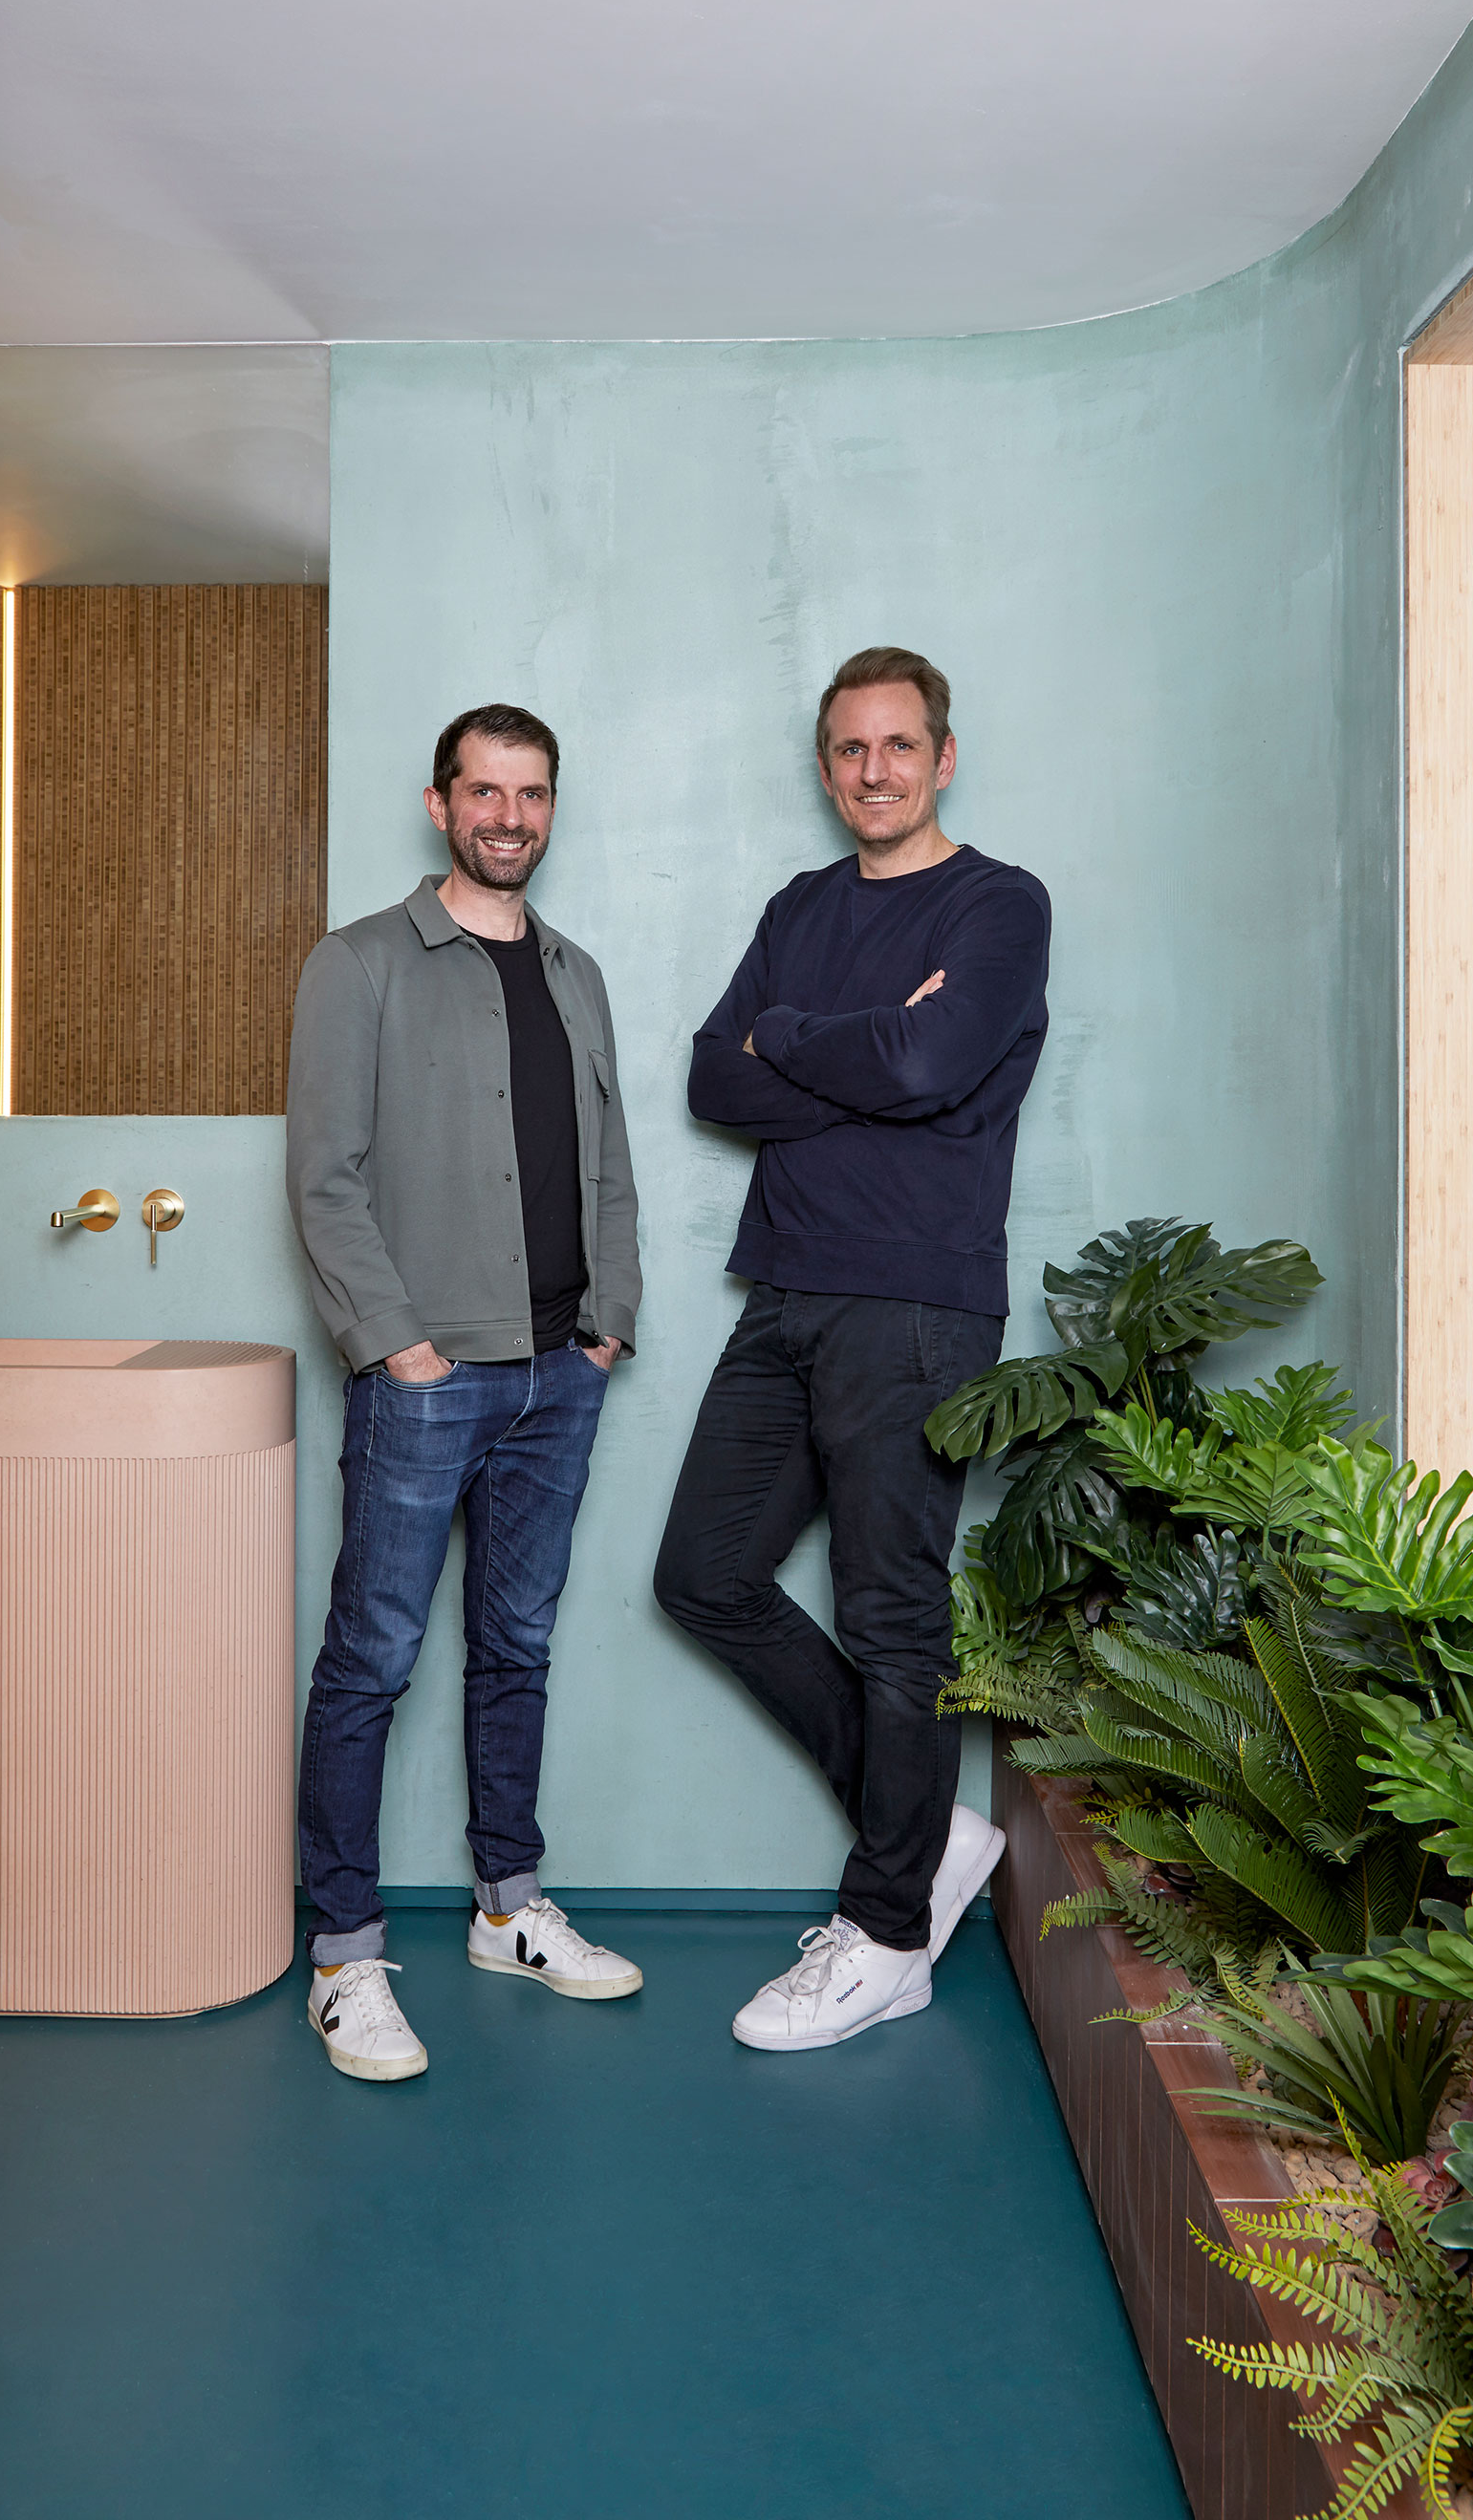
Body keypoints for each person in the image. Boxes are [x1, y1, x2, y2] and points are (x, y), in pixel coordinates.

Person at [654, 646, 1051, 2052]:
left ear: (942, 755)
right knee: (703, 1574)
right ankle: (925, 1837)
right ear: (826, 768)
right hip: (784, 1292)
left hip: (917, 1304)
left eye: (898, 745)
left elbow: (933, 1066)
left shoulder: (999, 904)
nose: (873, 771)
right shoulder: (800, 907)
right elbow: (715, 1078)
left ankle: (888, 1934)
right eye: (848, 749)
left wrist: (796, 1042)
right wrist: (867, 1053)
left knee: (891, 1614)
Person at [286, 702, 644, 2083]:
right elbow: (324, 1178)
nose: (510, 817)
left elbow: (609, 1163)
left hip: (562, 1372)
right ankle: (345, 1956)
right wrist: (398, 1346)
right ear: (441, 804)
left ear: (551, 808)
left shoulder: (576, 973)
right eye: (485, 792)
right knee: (372, 1659)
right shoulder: (360, 964)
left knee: (517, 1648)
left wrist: (608, 1326)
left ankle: (509, 1907)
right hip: (428, 1379)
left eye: (531, 793)